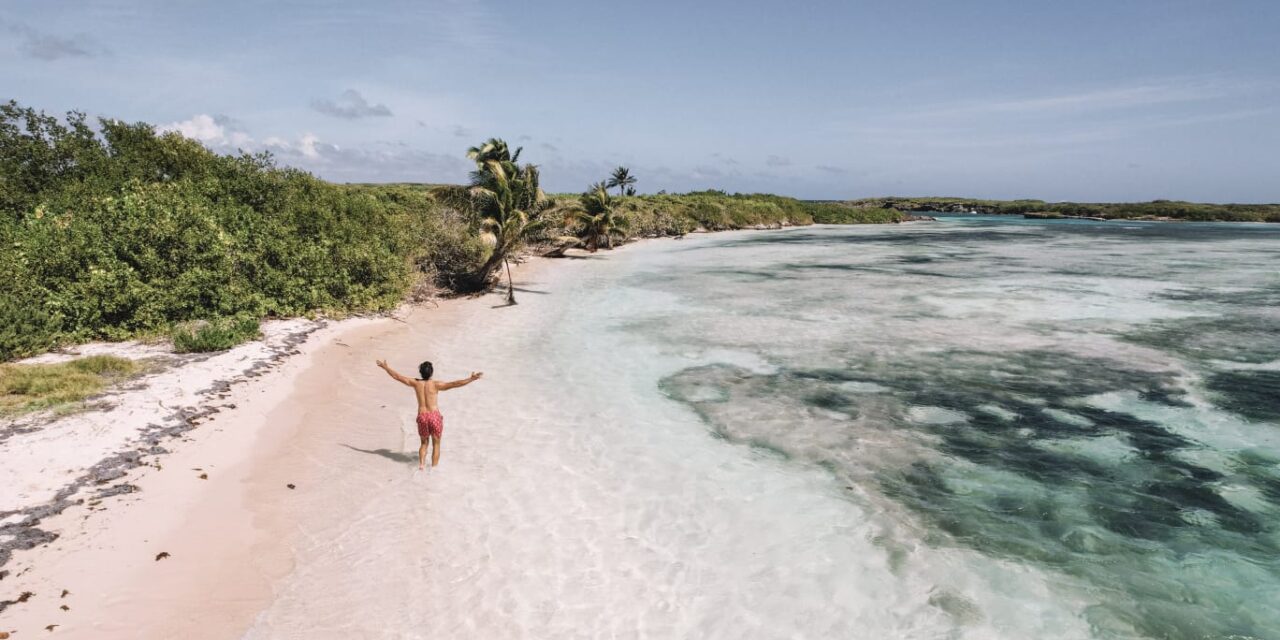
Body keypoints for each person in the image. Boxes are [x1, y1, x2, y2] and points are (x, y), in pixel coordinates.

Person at [375, 359, 482, 470]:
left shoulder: (415, 383)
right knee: (436, 444)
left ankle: (421, 465)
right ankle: (434, 469)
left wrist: (385, 367)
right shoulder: (436, 384)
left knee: (424, 443)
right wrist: (472, 379)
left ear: (420, 372)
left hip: (422, 416)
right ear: (431, 372)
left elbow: (397, 377)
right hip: (434, 416)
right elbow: (455, 384)